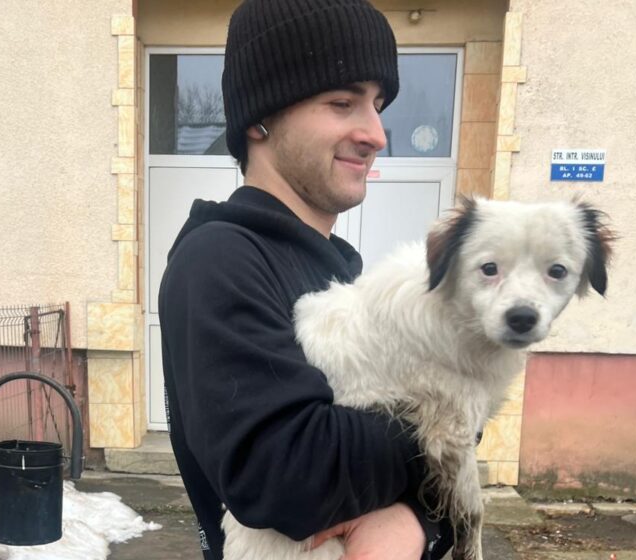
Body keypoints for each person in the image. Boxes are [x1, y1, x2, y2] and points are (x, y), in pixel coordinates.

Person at [158, 0, 453, 558]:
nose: (376, 134)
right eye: (342, 103)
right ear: (259, 119)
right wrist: (451, 413)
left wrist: (417, 522)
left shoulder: (341, 268)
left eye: (378, 105)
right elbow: (288, 477)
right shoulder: (220, 260)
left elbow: (421, 471)